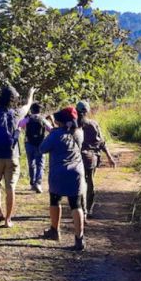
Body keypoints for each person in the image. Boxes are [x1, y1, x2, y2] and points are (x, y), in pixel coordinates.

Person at [0, 84, 36, 227]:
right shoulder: (17, 113)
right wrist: (30, 94)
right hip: (13, 155)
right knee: (10, 187)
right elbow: (28, 105)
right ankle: (8, 220)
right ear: (13, 100)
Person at [39, 106, 87, 251]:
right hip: (76, 172)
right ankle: (79, 239)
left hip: (58, 172)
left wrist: (52, 131)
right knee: (76, 204)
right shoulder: (79, 133)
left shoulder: (56, 134)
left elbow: (42, 149)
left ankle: (54, 230)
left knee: (55, 200)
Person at [75, 100, 116, 218]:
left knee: (78, 183)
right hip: (91, 158)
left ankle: (80, 208)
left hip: (76, 158)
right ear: (87, 111)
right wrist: (109, 157)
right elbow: (102, 143)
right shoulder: (93, 124)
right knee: (90, 182)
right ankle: (88, 209)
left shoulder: (72, 125)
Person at [18, 103, 51, 193]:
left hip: (29, 144)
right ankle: (38, 183)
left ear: (31, 110)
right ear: (40, 110)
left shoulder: (28, 119)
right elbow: (51, 129)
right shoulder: (43, 119)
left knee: (31, 163)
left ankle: (32, 182)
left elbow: (19, 125)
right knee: (40, 164)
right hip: (40, 144)